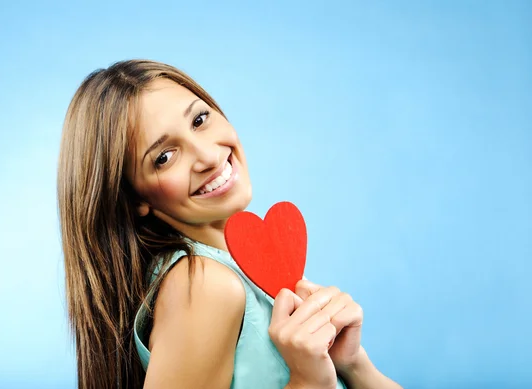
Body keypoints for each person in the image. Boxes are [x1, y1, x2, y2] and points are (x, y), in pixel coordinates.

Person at [57, 59, 402, 389]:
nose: (208, 156)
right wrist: (308, 382)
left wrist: (354, 364)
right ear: (135, 200)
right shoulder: (204, 285)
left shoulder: (227, 274)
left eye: (200, 120)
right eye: (164, 157)